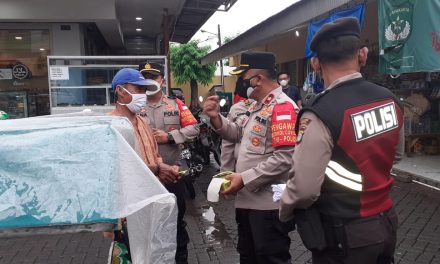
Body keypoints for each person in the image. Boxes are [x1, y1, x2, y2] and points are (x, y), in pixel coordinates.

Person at [279, 18, 405, 264]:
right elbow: (396, 155)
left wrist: (284, 209)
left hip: (345, 236)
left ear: (315, 63)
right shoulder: (389, 99)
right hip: (387, 222)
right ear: (363, 54)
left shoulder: (320, 113)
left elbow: (304, 188)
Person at [204, 51, 298, 264]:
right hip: (248, 202)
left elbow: (285, 157)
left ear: (258, 78)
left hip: (267, 207)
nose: (241, 82)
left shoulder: (282, 107)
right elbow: (238, 133)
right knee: (249, 256)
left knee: (269, 258)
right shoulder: (258, 106)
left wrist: (244, 178)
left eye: (243, 77)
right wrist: (216, 118)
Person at [105, 68, 180, 259]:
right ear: (121, 91)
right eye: (137, 89)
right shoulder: (110, 126)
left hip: (150, 204)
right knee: (130, 254)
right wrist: (157, 169)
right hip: (127, 211)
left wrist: (163, 168)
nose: (142, 95)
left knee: (150, 254)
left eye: (143, 90)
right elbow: (117, 171)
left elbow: (155, 155)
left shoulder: (142, 122)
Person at [138, 62, 199, 264]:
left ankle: (180, 259)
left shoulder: (176, 105)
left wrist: (171, 137)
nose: (150, 81)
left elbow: (194, 129)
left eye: (153, 77)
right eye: (145, 77)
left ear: (162, 80)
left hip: (173, 174)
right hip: (146, 176)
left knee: (176, 221)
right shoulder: (136, 106)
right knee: (148, 224)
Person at [220, 77, 254, 172]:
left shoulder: (278, 106)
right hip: (241, 170)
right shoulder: (237, 108)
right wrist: (226, 173)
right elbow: (228, 143)